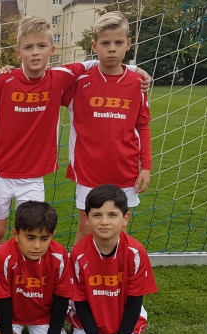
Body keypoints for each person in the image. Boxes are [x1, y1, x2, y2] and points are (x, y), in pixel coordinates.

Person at [0, 17, 149, 268]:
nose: (35, 52)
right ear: (18, 52)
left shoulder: (61, 77)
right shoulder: (3, 80)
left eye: (42, 46)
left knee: (35, 231)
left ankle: (34, 282)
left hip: (35, 175)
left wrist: (133, 69)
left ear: (52, 50)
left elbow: (93, 64)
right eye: (28, 47)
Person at [62, 11, 152, 244]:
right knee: (85, 229)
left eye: (118, 43)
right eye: (105, 43)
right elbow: (46, 79)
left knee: (118, 232)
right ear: (94, 46)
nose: (112, 49)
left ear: (128, 44)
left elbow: (142, 126)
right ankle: (79, 268)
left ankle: (114, 268)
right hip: (88, 171)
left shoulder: (137, 84)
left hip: (126, 171)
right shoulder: (79, 82)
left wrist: (146, 166)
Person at [67, 184, 158, 334]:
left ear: (125, 218)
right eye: (97, 215)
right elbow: (79, 301)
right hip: (90, 322)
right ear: (86, 218)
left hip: (122, 322)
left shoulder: (135, 252)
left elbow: (135, 301)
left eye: (112, 215)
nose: (104, 222)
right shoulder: (78, 254)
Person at [0, 201, 71, 334]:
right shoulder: (3, 255)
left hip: (43, 316)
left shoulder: (59, 255)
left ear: (52, 234)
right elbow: (3, 300)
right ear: (16, 234)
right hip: (10, 315)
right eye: (30, 238)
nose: (37, 246)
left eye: (44, 238)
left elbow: (62, 298)